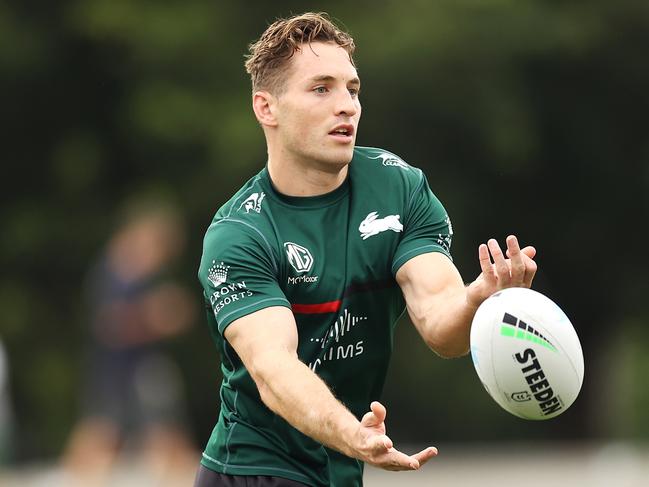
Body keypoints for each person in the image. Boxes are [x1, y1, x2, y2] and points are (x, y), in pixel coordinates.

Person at [196, 12, 537, 487]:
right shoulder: (240, 233)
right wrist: (351, 435)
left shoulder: (399, 188)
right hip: (255, 471)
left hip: (343, 466)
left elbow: (443, 327)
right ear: (266, 108)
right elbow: (274, 370)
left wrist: (478, 298)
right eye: (321, 89)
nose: (347, 106)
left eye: (352, 90)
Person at [61, 202, 198, 487]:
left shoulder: (135, 272)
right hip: (118, 368)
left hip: (137, 368)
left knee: (163, 436)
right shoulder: (116, 271)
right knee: (105, 436)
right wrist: (155, 317)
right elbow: (109, 325)